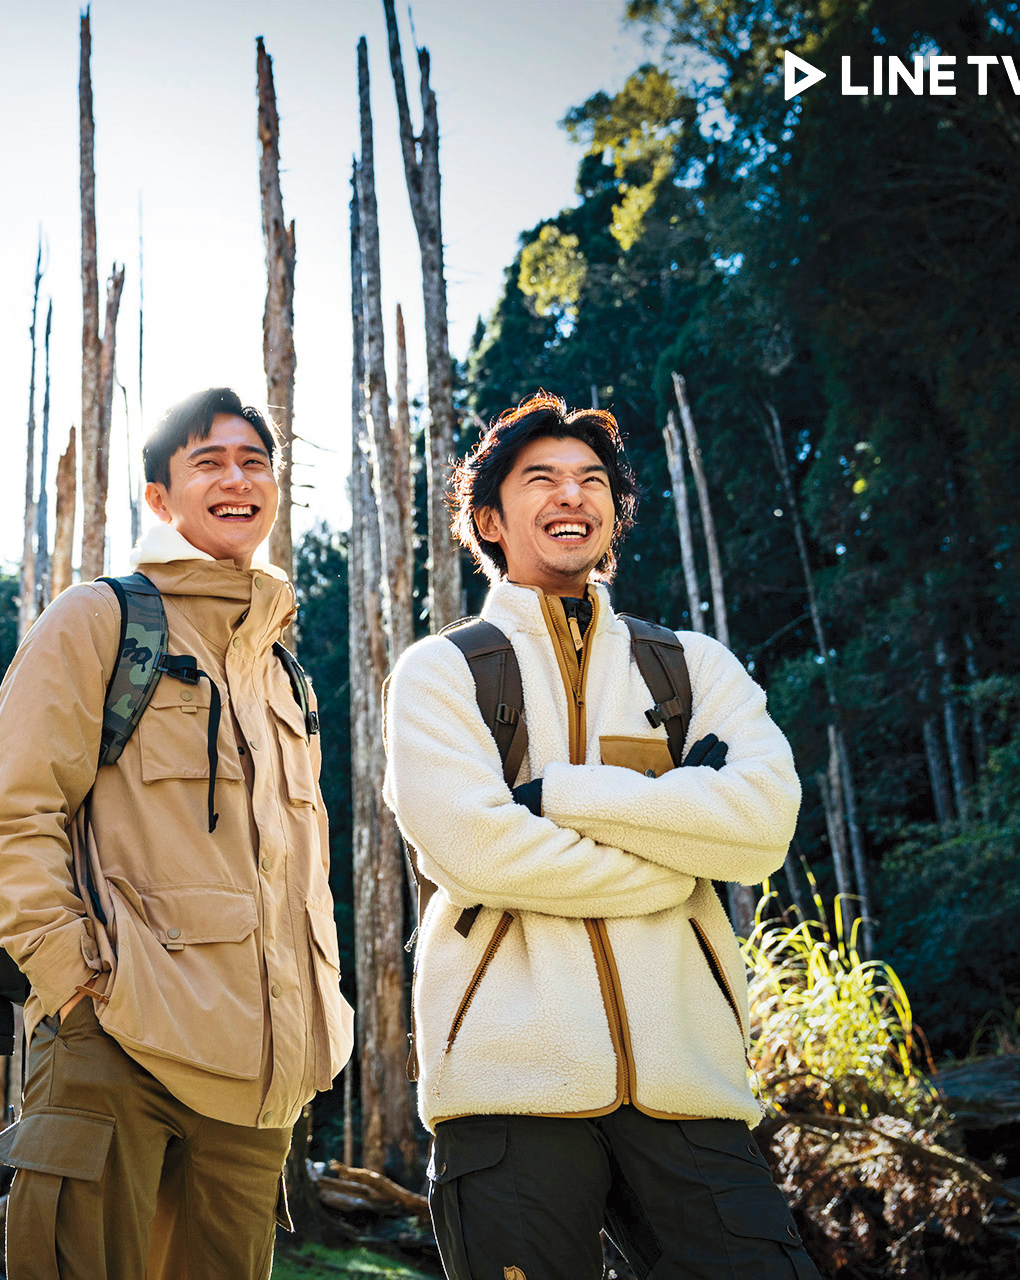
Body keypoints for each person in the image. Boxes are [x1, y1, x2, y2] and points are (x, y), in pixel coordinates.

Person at [384, 392, 821, 1278]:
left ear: (616, 518)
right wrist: (669, 863)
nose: (570, 496)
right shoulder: (442, 673)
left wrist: (564, 792)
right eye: (539, 479)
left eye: (591, 481)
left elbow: (762, 823)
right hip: (506, 1092)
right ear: (488, 520)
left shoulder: (692, 667)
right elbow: (473, 848)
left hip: (690, 1084)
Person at [0, 387, 352, 1280]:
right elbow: (14, 812)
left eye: (254, 463)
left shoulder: (281, 668)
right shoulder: (99, 619)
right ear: (159, 497)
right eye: (208, 463)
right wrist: (72, 982)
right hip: (116, 1047)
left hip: (257, 1086)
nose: (237, 480)